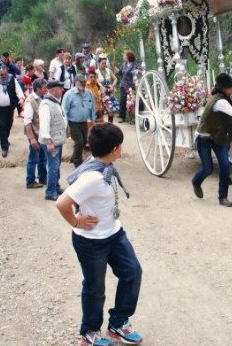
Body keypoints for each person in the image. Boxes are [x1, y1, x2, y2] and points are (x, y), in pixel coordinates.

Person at [56, 123, 143, 346]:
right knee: (95, 288)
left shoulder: (103, 166)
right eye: (121, 145)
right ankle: (90, 331)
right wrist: (76, 221)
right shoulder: (92, 177)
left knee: (132, 273)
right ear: (115, 149)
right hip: (91, 241)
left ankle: (118, 323)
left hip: (114, 233)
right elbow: (62, 203)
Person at [192, 73, 232, 207]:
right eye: (231, 86)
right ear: (225, 88)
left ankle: (223, 197)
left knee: (225, 165)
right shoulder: (220, 102)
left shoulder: (224, 99)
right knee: (208, 169)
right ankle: (196, 181)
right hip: (204, 139)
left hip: (218, 137)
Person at [0, 65, 25, 157]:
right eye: (1, 74)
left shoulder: (12, 80)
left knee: (9, 124)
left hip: (10, 107)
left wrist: (21, 98)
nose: (3, 76)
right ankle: (4, 147)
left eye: (5, 74)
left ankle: (4, 138)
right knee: (2, 125)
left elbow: (18, 90)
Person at [39, 80, 67, 201]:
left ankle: (56, 186)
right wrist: (49, 142)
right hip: (52, 141)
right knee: (53, 167)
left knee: (56, 166)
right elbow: (44, 124)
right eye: (60, 88)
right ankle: (50, 192)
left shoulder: (55, 102)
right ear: (52, 90)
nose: (62, 90)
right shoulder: (46, 104)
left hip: (57, 140)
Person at [62, 74, 97, 168]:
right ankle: (78, 162)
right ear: (75, 82)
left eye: (84, 82)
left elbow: (92, 106)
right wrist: (64, 124)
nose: (83, 83)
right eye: (81, 82)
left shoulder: (88, 93)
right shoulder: (69, 94)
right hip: (73, 123)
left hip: (84, 122)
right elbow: (64, 110)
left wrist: (93, 119)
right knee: (79, 142)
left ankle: (74, 157)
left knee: (84, 141)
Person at [24, 79, 48, 189]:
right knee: (34, 158)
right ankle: (30, 181)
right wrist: (32, 138)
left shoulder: (43, 98)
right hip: (35, 134)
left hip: (42, 134)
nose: (46, 90)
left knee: (43, 157)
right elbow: (27, 122)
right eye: (44, 88)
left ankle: (42, 177)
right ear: (38, 89)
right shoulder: (30, 101)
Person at [114, 50, 142, 123]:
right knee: (122, 101)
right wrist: (114, 66)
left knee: (131, 101)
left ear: (128, 57)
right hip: (123, 85)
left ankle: (132, 117)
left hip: (131, 85)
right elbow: (119, 73)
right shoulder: (124, 64)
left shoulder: (135, 64)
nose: (123, 56)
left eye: (125, 55)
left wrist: (137, 70)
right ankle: (122, 117)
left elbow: (142, 71)